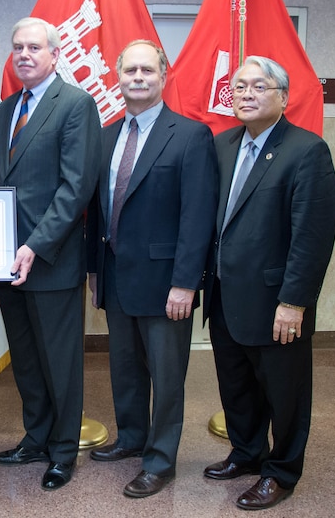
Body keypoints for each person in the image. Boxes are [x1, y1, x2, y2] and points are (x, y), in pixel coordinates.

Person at [203, 56, 335, 511]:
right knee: (236, 386)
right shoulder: (222, 145)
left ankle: (281, 472)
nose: (246, 94)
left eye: (258, 86)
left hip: (277, 302)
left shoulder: (307, 150)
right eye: (239, 86)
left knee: (285, 393)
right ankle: (245, 453)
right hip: (224, 296)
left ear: (282, 96)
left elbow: (312, 237)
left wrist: (294, 302)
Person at [85, 40, 217, 498]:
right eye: (130, 71)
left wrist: (186, 283)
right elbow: (97, 212)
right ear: (117, 77)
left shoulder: (190, 135)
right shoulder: (105, 135)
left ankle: (160, 460)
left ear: (164, 77)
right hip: (116, 276)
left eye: (147, 71)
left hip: (166, 284)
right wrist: (94, 271)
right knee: (124, 368)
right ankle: (132, 437)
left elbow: (197, 217)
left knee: (166, 374)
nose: (138, 78)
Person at [0, 17, 101, 491]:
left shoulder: (75, 105)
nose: (24, 54)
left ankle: (63, 452)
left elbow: (76, 189)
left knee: (60, 362)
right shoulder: (8, 108)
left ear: (54, 53)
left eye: (34, 47)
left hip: (49, 260)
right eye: (17, 47)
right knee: (26, 358)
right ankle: (36, 437)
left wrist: (36, 244)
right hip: (5, 260)